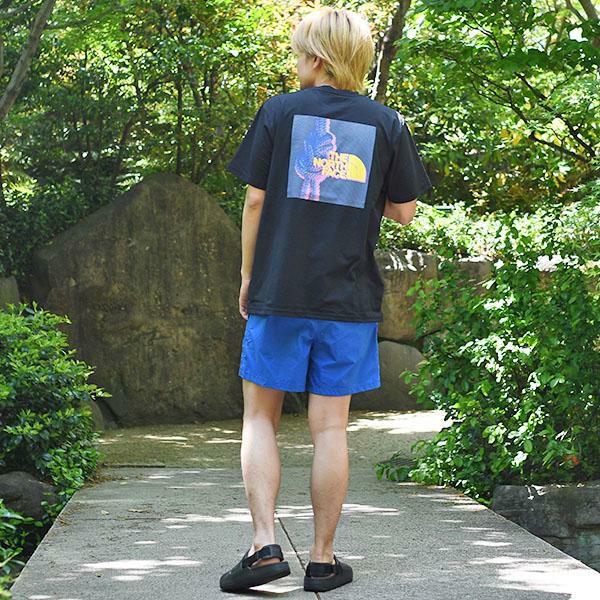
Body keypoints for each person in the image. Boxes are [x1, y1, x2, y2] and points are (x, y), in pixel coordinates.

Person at [219, 6, 433, 594]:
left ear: (316, 56)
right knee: (330, 428)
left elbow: (256, 201)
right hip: (347, 296)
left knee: (259, 416)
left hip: (280, 291)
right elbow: (404, 211)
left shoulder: (279, 112)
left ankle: (264, 548)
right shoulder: (386, 122)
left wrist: (248, 275)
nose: (295, 61)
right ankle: (321, 560)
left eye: (298, 52)